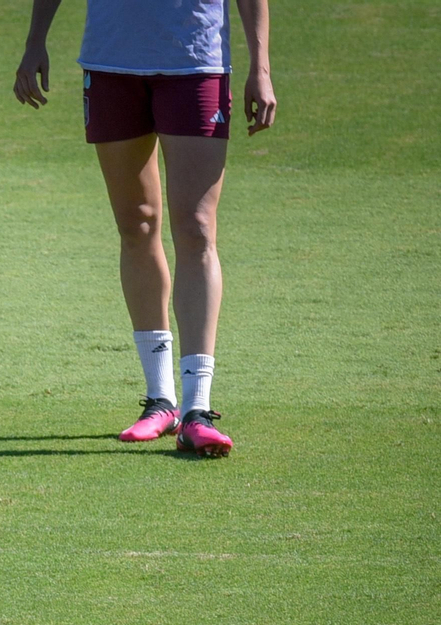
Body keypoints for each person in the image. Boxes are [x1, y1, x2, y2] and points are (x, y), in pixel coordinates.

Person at [14, 0, 276, 457]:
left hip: (196, 62)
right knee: (136, 223)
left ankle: (197, 408)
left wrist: (262, 66)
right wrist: (36, 40)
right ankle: (161, 401)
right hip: (111, 62)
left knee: (195, 229)